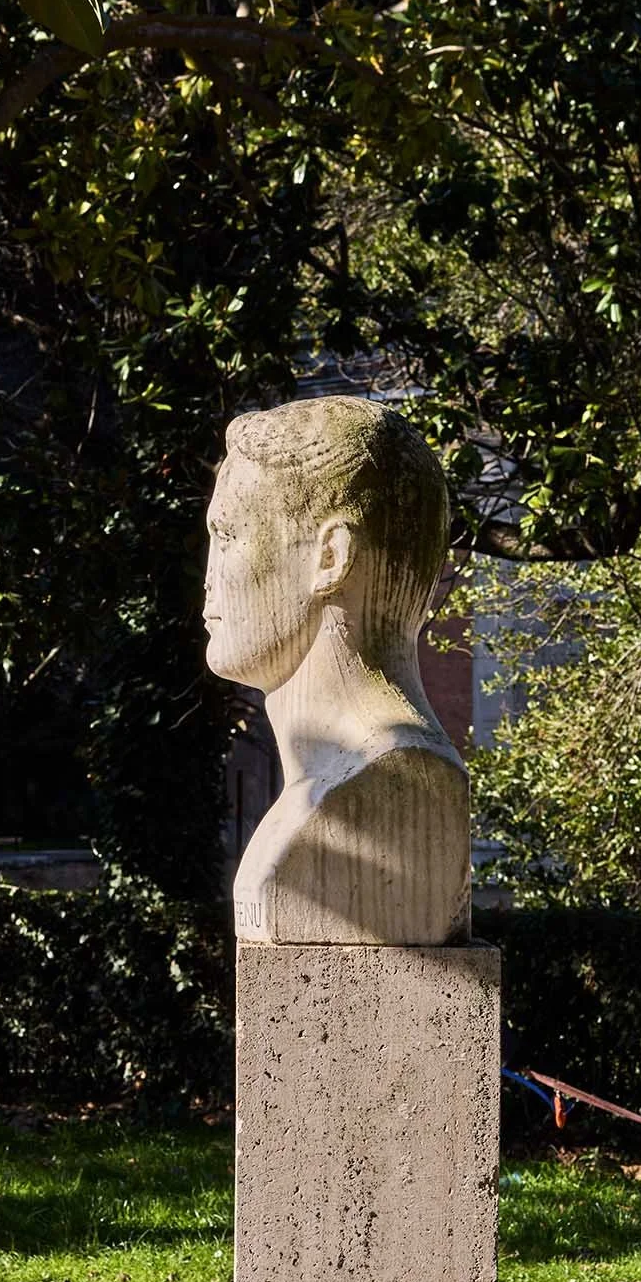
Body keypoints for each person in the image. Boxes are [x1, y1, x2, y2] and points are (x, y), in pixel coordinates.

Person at [204, 396, 470, 945]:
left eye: (227, 537)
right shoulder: (314, 790)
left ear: (331, 557)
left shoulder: (403, 783)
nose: (208, 576)